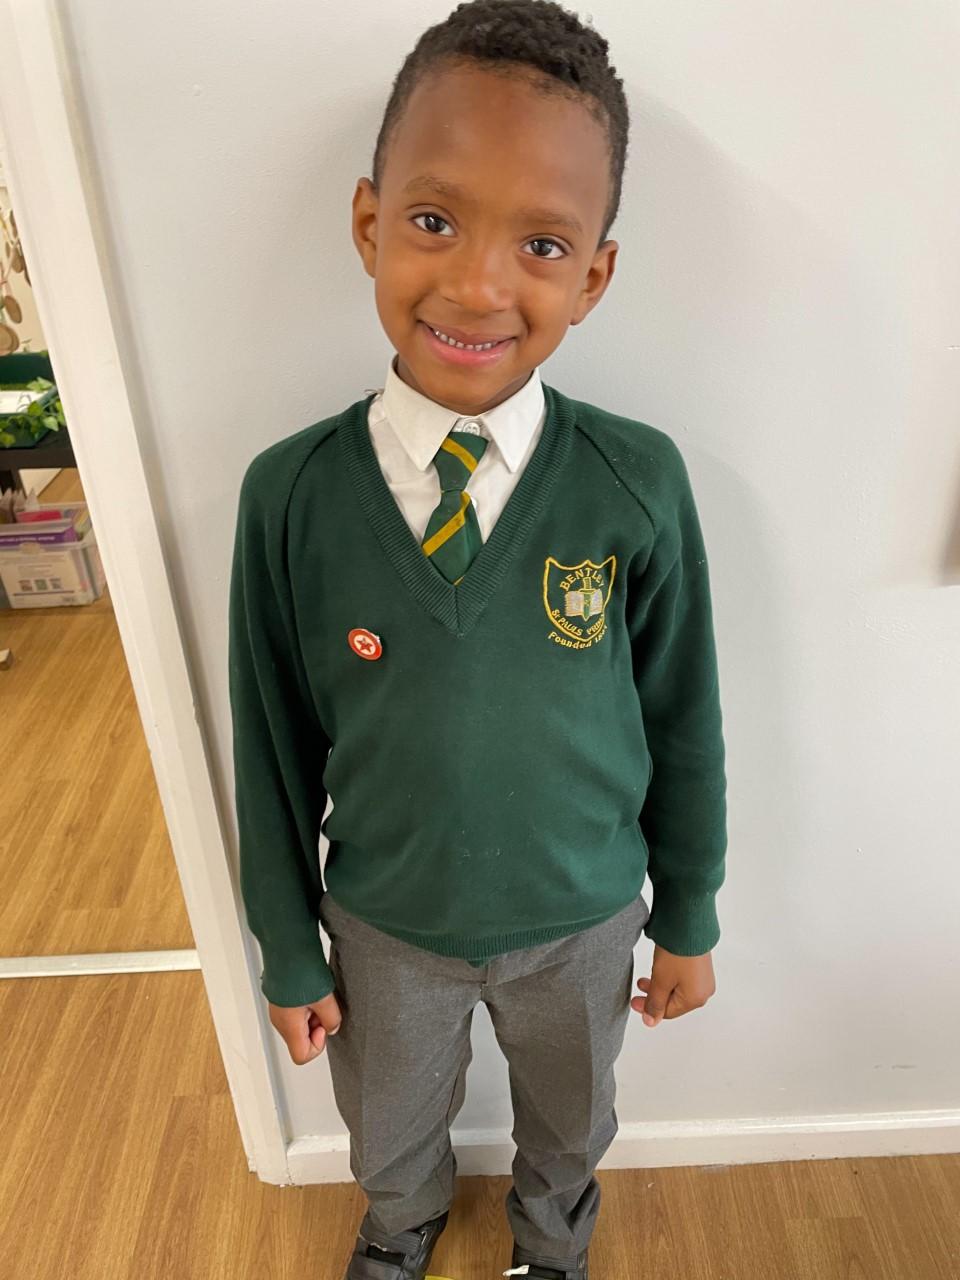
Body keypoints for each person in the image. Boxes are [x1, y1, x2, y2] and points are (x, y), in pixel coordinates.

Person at [227, 2, 728, 1277]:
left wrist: (691, 908)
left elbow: (683, 712)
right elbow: (270, 742)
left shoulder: (636, 482)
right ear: (368, 222)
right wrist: (286, 942)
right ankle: (400, 1227)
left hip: (585, 917)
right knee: (388, 1121)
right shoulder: (290, 493)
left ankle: (552, 1244)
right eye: (434, 221)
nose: (477, 285)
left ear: (592, 276)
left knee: (572, 1115)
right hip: (384, 923)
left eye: (542, 243)